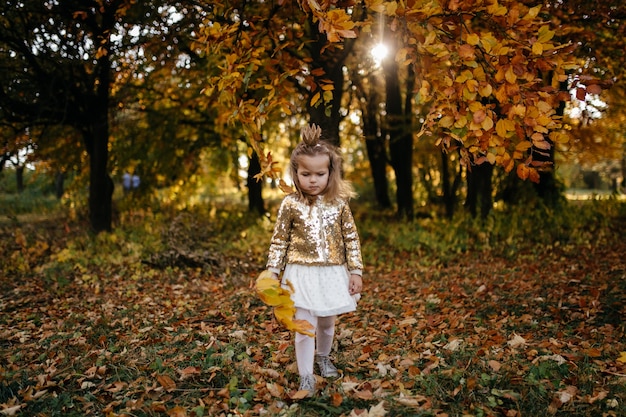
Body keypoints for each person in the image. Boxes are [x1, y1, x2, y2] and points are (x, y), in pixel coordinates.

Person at [266, 123, 363, 397]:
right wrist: (273, 270)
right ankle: (306, 375)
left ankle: (323, 356)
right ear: (295, 172)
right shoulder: (290, 204)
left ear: (330, 173)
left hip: (332, 272)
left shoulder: (339, 203)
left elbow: (351, 239)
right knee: (304, 324)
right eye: (305, 173)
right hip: (300, 274)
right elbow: (279, 240)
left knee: (327, 322)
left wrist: (356, 271)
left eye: (319, 174)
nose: (312, 180)